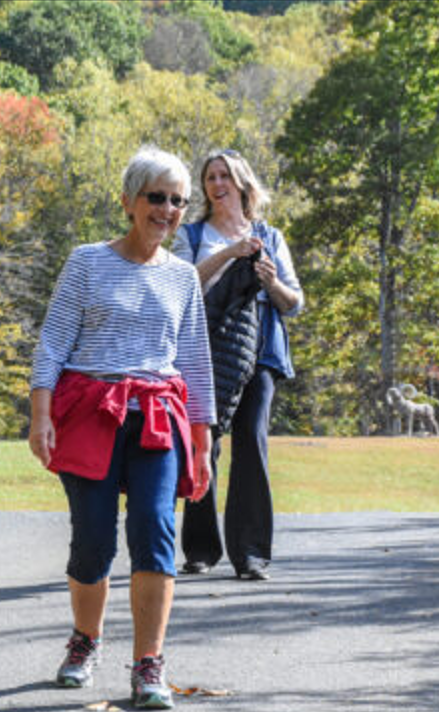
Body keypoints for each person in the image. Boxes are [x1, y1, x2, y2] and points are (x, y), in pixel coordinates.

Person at [28, 145, 214, 710]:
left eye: (178, 201)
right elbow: (54, 341)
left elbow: (195, 362)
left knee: (155, 531)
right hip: (90, 409)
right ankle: (85, 642)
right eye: (156, 197)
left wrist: (203, 445)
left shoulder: (183, 278)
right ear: (130, 201)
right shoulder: (87, 262)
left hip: (157, 415)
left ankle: (149, 664)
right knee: (92, 541)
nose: (167, 209)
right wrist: (40, 415)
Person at [173, 149, 304, 581]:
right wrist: (229, 254)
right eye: (209, 177)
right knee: (203, 440)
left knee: (251, 439)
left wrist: (271, 281)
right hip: (204, 348)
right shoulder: (192, 235)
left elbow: (294, 303)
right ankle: (201, 550)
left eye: (224, 175)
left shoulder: (270, 235)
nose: (216, 183)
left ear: (242, 182)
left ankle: (250, 555)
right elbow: (179, 283)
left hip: (261, 349)